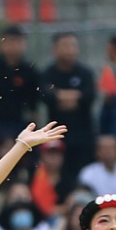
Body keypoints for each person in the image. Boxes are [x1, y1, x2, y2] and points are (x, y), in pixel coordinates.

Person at [40, 31, 98, 182]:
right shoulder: (47, 74)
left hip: (83, 136)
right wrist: (75, 96)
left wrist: (60, 95)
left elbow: (89, 96)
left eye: (73, 45)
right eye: (65, 45)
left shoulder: (86, 73)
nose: (69, 50)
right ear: (55, 49)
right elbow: (47, 96)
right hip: (57, 136)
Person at [0, 25, 42, 141]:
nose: (14, 46)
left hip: (18, 122)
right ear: (2, 44)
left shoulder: (29, 70)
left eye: (18, 41)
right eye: (10, 41)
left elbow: (33, 103)